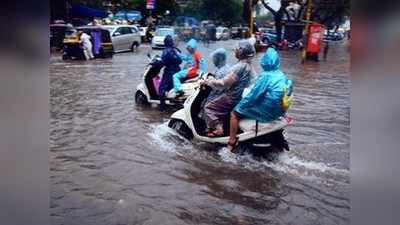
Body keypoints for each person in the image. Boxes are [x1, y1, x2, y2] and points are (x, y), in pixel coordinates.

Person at [227, 47, 293, 152]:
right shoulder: (281, 75)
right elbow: (289, 90)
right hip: (279, 111)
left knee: (234, 114)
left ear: (265, 61)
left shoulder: (265, 76)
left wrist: (240, 106)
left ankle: (231, 142)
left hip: (267, 112)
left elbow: (253, 95)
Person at [201, 40, 255, 137]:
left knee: (208, 107)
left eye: (237, 49)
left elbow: (223, 83)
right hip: (240, 97)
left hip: (232, 97)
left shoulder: (239, 67)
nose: (235, 51)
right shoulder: (248, 65)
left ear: (241, 51)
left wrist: (210, 81)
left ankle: (218, 128)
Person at [199, 48, 230, 127]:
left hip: (220, 95)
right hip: (226, 94)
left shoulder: (221, 72)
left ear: (218, 59)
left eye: (214, 59)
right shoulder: (226, 67)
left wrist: (208, 82)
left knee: (205, 105)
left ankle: (213, 127)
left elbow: (217, 87)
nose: (213, 61)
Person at [158, 35, 182, 111]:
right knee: (173, 88)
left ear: (165, 42)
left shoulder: (166, 51)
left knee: (161, 89)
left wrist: (157, 64)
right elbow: (180, 60)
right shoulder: (174, 50)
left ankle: (162, 108)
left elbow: (163, 62)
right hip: (177, 72)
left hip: (169, 73)